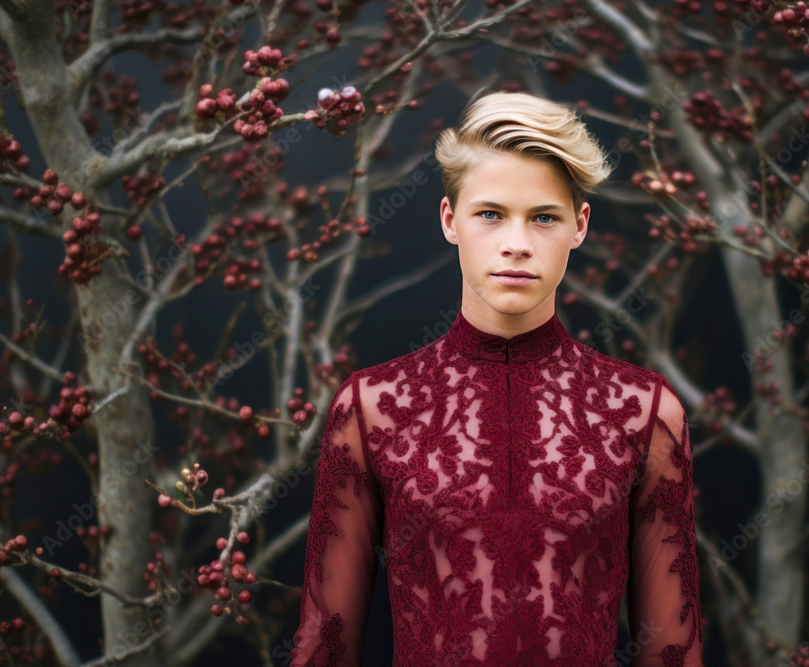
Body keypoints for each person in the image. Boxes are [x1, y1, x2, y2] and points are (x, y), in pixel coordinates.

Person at [288, 89, 705, 666]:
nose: (516, 244)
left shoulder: (644, 412)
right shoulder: (372, 408)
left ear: (579, 226)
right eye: (490, 214)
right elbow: (325, 644)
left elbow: (674, 651)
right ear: (449, 219)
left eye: (544, 218)